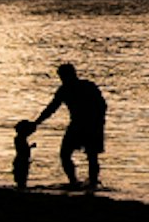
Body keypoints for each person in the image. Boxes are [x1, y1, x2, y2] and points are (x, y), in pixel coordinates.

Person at [26, 60, 108, 195]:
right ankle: (79, 183)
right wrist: (36, 122)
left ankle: (85, 182)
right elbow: (52, 108)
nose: (62, 79)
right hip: (84, 124)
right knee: (74, 155)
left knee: (84, 155)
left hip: (88, 124)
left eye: (63, 77)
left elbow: (102, 106)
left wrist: (36, 123)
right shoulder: (71, 88)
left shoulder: (82, 87)